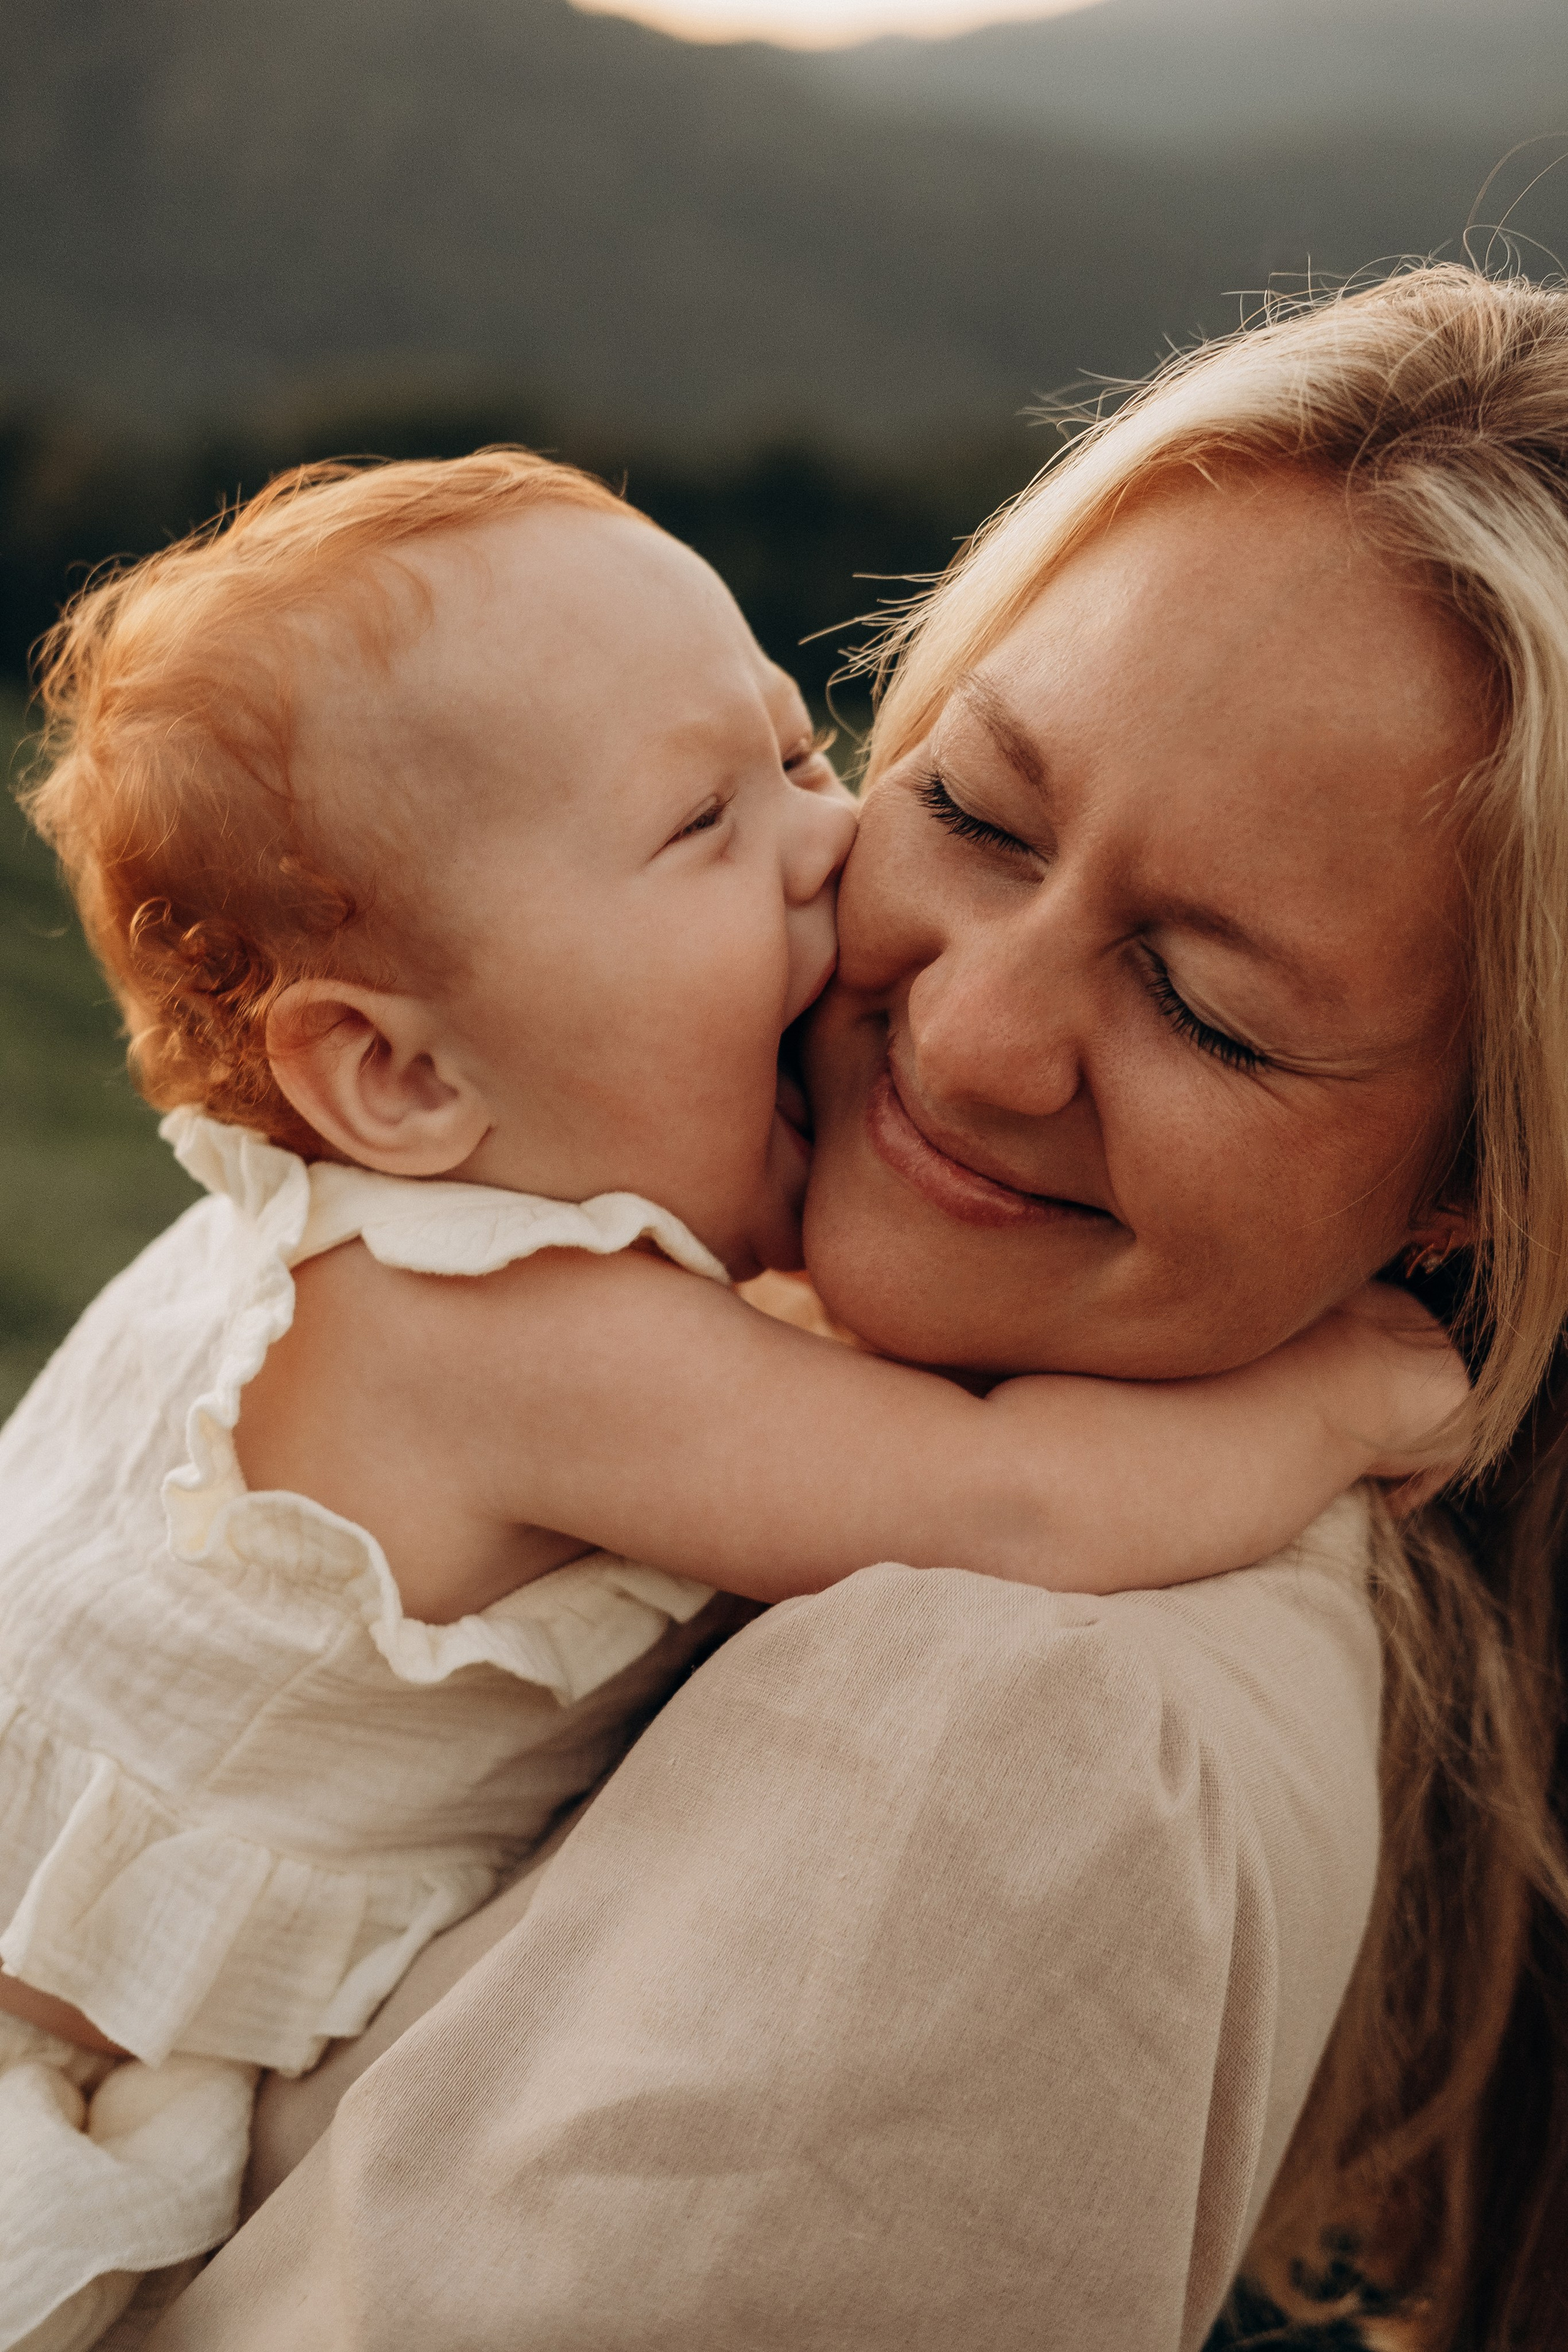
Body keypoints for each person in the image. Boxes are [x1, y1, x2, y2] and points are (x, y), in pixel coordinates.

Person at [141, 265, 1568, 2352]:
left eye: (1209, 1006)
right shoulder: (587, 1225)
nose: (974, 1036)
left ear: (1471, 1174)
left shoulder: (1022, 1746)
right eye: (975, 813)